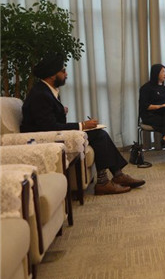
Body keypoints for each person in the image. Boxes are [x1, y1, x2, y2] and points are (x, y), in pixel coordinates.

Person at [21, 54, 146, 195]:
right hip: (42, 140)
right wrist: (82, 125)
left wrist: (61, 111)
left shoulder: (45, 90)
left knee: (99, 133)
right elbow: (49, 127)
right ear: (51, 75)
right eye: (63, 71)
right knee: (98, 134)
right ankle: (104, 182)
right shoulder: (40, 95)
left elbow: (48, 119)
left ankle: (117, 175)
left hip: (51, 135)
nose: (66, 74)